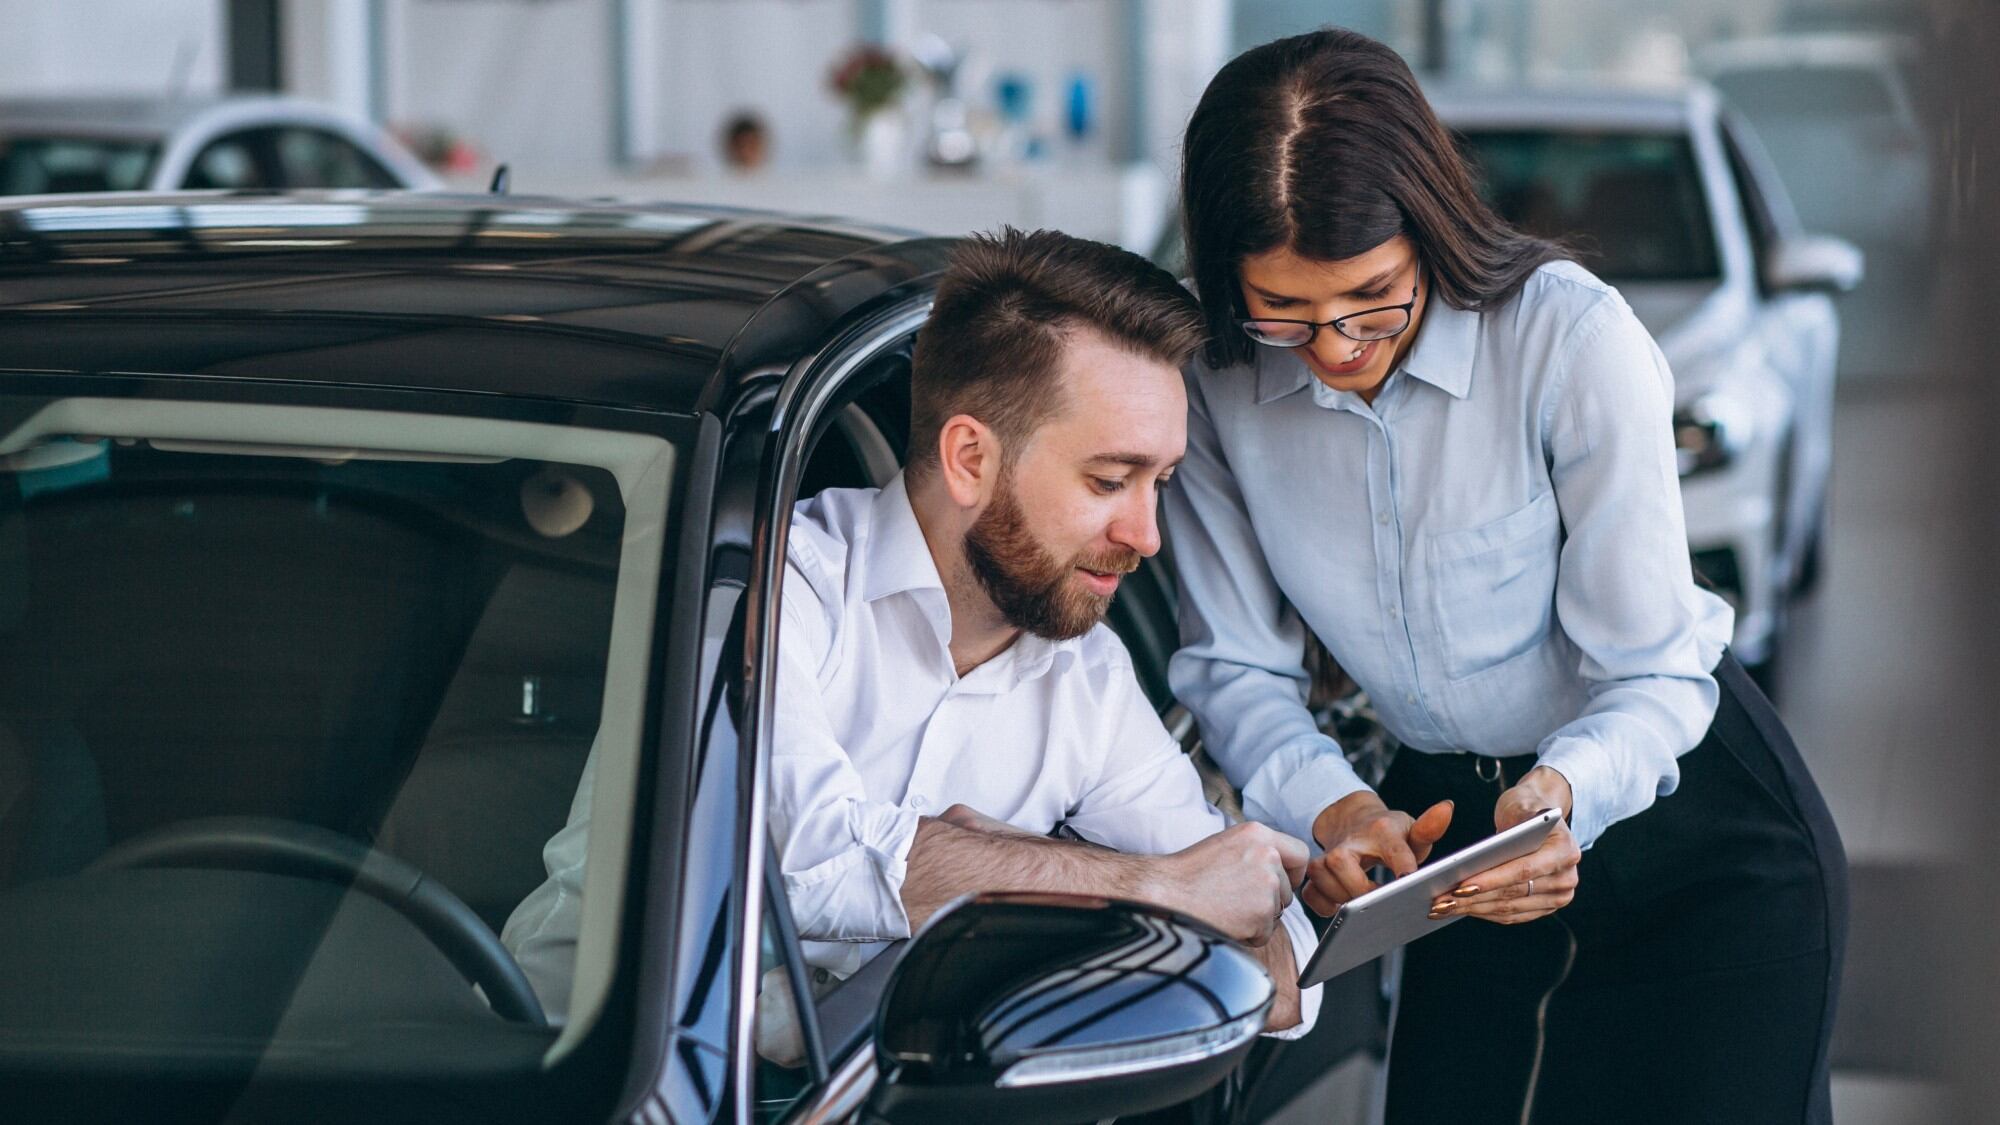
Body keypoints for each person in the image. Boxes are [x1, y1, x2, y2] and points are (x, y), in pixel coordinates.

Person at [1164, 28, 1848, 1125]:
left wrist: (1562, 795)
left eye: (1370, 299)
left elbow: (1660, 672)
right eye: (1284, 311)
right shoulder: (1215, 384)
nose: (1335, 348)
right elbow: (1232, 664)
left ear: (1427, 230)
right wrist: (1331, 804)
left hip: (1689, 838)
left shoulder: (1566, 338)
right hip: (1453, 847)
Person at [504, 227, 1321, 1044]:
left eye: (1162, 482)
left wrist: (1043, 875)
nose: (1147, 533)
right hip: (574, 1070)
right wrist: (1152, 889)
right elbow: (817, 862)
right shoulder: (777, 585)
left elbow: (1286, 981)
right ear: (969, 457)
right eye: (1110, 480)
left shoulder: (1088, 679)